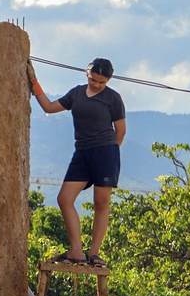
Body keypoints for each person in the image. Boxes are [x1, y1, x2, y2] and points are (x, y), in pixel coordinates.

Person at [27, 58, 126, 268]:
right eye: (93, 80)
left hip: (105, 152)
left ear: (108, 81)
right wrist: (34, 83)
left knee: (101, 202)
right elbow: (49, 106)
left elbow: (121, 131)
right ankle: (76, 251)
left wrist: (110, 156)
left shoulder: (113, 98)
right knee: (64, 198)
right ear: (86, 73)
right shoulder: (77, 93)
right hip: (81, 152)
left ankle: (94, 253)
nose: (96, 85)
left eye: (102, 82)